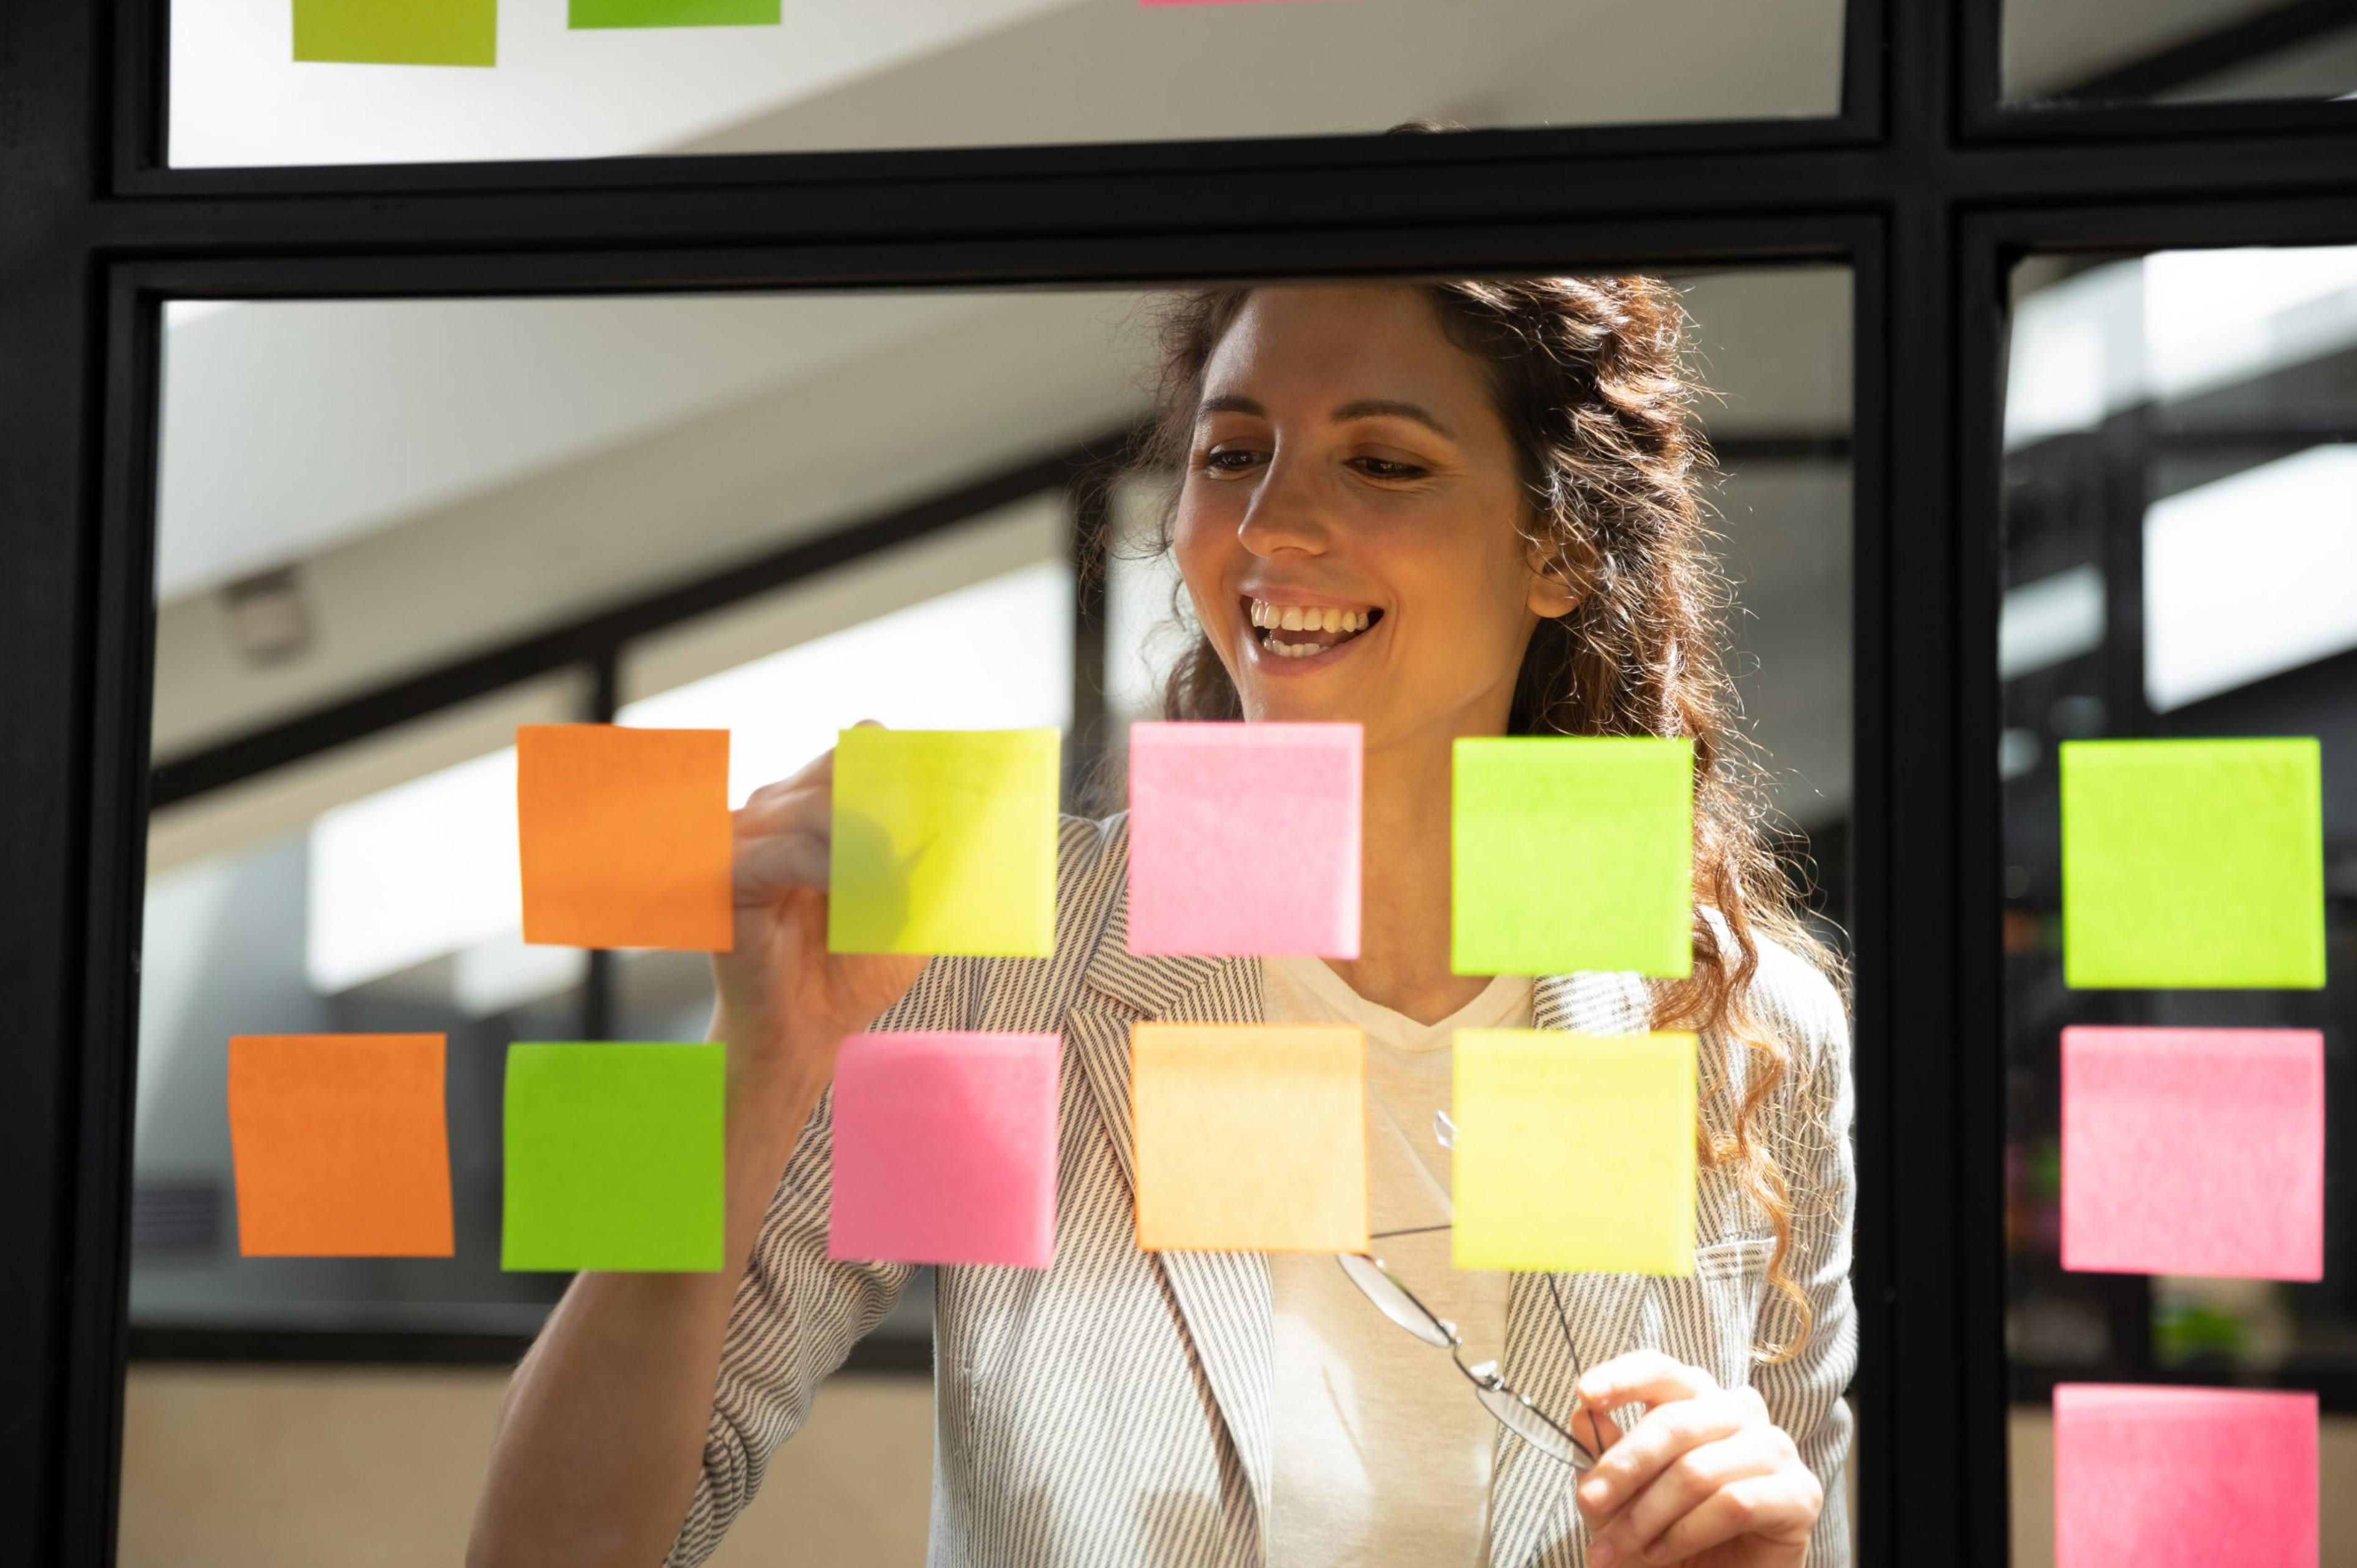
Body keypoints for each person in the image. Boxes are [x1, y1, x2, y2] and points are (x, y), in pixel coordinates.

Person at [468, 276, 1857, 1568]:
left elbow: (1812, 1522)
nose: (1269, 529)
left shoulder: (1740, 1025)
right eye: (1232, 453)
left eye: (1383, 462)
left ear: (1555, 548)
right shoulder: (1000, 960)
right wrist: (748, 1072)